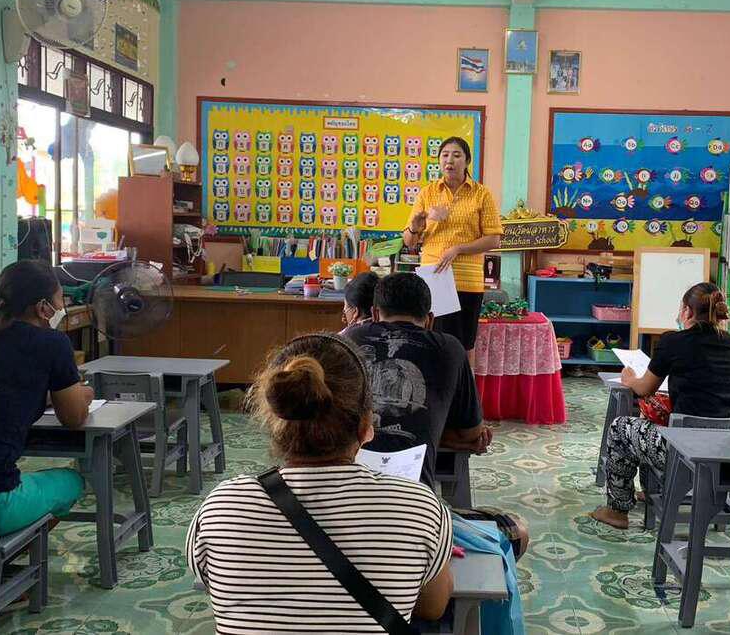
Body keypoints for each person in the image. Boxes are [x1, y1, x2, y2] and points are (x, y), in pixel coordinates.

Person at [187, 334, 453, 632]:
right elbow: (433, 607)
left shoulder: (221, 508)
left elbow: (220, 590)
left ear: (273, 420)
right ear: (366, 425)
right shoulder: (419, 507)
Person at [590, 282, 730, 529]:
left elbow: (645, 389)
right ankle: (650, 490)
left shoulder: (673, 341)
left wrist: (630, 379)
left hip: (683, 450)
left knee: (621, 428)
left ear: (687, 311)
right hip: (727, 450)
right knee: (652, 421)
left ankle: (617, 511)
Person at [345, 272, 492, 491]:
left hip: (347, 478)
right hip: (415, 490)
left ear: (374, 314)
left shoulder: (350, 339)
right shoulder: (450, 348)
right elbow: (472, 434)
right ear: (430, 320)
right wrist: (434, 433)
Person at [0, 260, 90, 536]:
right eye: (60, 300)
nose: (62, 307)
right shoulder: (51, 343)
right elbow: (74, 417)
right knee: (72, 481)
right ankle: (14, 552)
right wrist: (84, 394)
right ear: (43, 307)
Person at [403, 136, 502, 365]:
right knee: (430, 340)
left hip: (467, 279)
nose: (450, 160)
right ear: (439, 161)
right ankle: (434, 386)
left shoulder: (481, 194)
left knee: (464, 344)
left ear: (467, 161)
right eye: (445, 155)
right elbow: (409, 241)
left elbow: (494, 239)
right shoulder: (427, 193)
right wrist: (415, 224)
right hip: (434, 278)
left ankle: (465, 387)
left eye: (457, 155)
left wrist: (458, 249)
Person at [339, 271, 378, 335]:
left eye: (345, 307)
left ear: (356, 312)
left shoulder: (342, 337)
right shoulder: (390, 333)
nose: (343, 318)